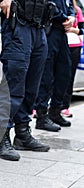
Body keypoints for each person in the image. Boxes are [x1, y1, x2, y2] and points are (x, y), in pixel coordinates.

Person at [0, 0, 51, 161]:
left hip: (39, 27)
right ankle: (1, 139)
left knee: (32, 86)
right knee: (13, 87)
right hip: (18, 24)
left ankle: (22, 134)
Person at [35, 0, 75, 131]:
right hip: (49, 30)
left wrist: (71, 16)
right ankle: (41, 116)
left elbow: (70, 5)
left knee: (64, 73)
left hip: (62, 33)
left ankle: (55, 111)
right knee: (46, 76)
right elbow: (46, 4)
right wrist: (64, 18)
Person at [62, 0, 84, 118]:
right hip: (59, 42)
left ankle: (65, 106)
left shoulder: (77, 11)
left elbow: (82, 29)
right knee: (52, 76)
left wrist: (74, 30)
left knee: (69, 77)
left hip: (74, 45)